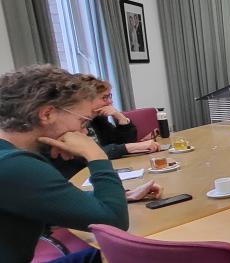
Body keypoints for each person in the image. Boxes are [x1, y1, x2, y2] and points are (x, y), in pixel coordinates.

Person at [0, 65, 161, 263]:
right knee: (136, 257)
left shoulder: (9, 158)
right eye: (82, 122)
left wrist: (123, 195)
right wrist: (95, 154)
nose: (84, 132)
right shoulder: (16, 166)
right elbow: (114, 221)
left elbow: (46, 199)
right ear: (47, 114)